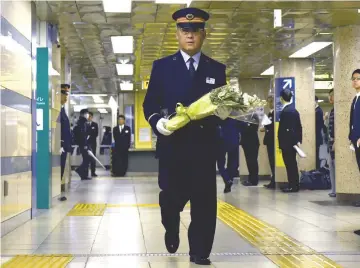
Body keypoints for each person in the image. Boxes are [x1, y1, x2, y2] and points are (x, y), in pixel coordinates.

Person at [143, 7, 226, 265]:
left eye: (195, 31)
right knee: (170, 199)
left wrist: (227, 111)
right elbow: (150, 105)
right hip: (172, 147)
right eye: (184, 30)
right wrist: (158, 123)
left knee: (204, 204)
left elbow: (222, 105)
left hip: (203, 148)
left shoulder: (217, 69)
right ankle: (170, 225)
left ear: (204, 34)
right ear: (177, 33)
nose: (190, 35)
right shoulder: (162, 67)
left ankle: (200, 252)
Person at [278, 89, 302, 193]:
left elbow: (286, 129)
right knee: (292, 163)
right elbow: (299, 127)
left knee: (290, 164)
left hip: (287, 143)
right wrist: (298, 140)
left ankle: (293, 185)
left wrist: (287, 142)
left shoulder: (286, 112)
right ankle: (294, 184)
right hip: (292, 142)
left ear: (281, 98)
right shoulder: (294, 110)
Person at [216, 118, 241, 193]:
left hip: (221, 140)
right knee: (233, 163)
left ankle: (227, 179)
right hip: (234, 140)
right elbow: (243, 125)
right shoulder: (236, 114)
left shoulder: (219, 113)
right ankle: (229, 180)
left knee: (220, 164)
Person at [349, 69, 360, 211]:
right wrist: (350, 137)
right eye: (353, 78)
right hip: (355, 140)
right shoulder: (355, 99)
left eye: (358, 78)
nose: (355, 80)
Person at [59, 84, 72, 201]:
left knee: (61, 169)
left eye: (67, 94)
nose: (66, 97)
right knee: (58, 170)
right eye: (64, 94)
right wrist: (60, 143)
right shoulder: (57, 110)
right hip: (60, 146)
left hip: (64, 147)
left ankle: (57, 193)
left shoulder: (62, 109)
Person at [261, 95, 275, 189]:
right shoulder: (269, 113)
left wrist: (266, 127)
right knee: (271, 161)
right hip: (269, 140)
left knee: (273, 160)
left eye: (271, 101)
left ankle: (274, 180)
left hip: (273, 140)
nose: (270, 104)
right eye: (268, 101)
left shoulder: (275, 114)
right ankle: (273, 179)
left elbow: (272, 126)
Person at [240, 121, 260, 186]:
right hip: (246, 142)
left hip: (252, 142)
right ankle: (250, 179)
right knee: (249, 162)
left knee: (252, 161)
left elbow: (253, 128)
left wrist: (243, 127)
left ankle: (254, 180)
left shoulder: (253, 116)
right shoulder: (244, 118)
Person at [74, 109, 91, 180]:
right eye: (86, 113)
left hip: (83, 143)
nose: (88, 115)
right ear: (82, 114)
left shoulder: (82, 122)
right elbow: (82, 134)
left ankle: (83, 175)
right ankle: (79, 170)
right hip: (83, 144)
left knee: (86, 159)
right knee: (87, 159)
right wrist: (85, 145)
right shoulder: (81, 122)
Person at [326, 89, 336, 197]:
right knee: (331, 166)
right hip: (330, 142)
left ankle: (335, 190)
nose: (330, 98)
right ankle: (334, 190)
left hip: (334, 142)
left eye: (331, 96)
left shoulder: (337, 110)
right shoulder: (333, 110)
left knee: (334, 166)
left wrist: (336, 141)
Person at [88, 112, 99, 177]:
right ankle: (85, 172)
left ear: (92, 117)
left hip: (93, 144)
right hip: (86, 144)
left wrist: (89, 134)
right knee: (86, 158)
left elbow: (96, 134)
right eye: (87, 116)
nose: (89, 117)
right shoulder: (84, 124)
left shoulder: (95, 124)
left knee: (93, 158)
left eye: (90, 116)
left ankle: (93, 172)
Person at [315, 96, 324, 169]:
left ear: (316, 101)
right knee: (315, 154)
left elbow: (318, 125)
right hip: (316, 136)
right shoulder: (315, 110)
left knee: (316, 154)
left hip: (317, 136)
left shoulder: (318, 111)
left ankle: (317, 170)